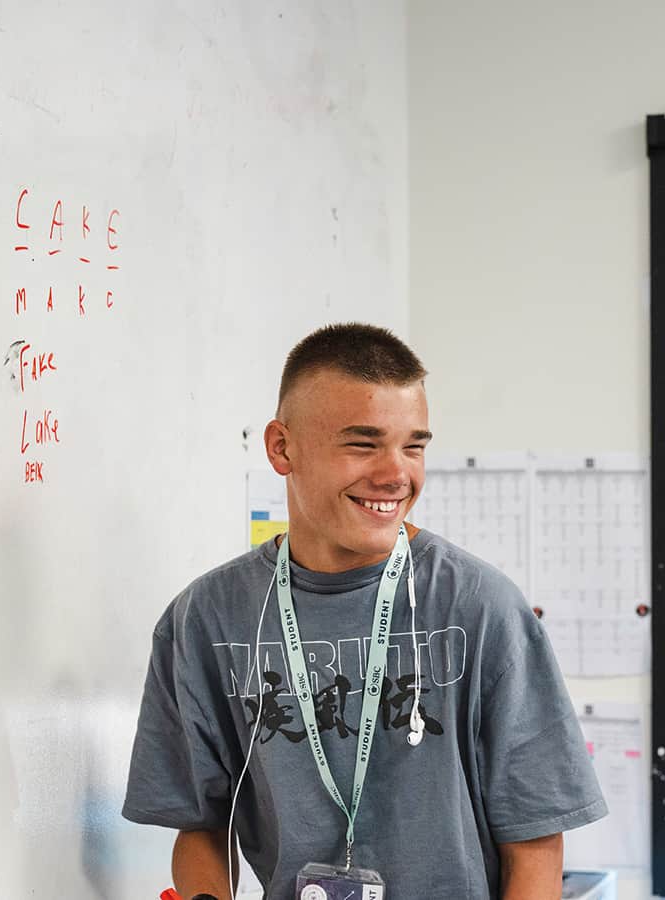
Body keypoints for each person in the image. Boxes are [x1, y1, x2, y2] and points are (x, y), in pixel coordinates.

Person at [123, 323, 607, 899]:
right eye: (362, 443)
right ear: (282, 447)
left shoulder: (481, 608)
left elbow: (534, 841)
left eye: (414, 446)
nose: (395, 474)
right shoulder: (204, 620)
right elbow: (199, 825)